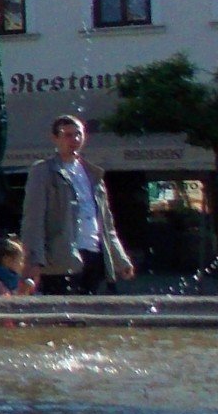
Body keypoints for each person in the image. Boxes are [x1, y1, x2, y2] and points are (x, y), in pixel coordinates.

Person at [19, 115, 134, 294]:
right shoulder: (43, 171)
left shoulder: (93, 173)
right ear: (55, 139)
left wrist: (120, 259)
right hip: (60, 256)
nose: (75, 140)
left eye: (78, 134)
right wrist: (33, 261)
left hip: (94, 253)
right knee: (61, 312)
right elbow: (33, 220)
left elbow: (106, 224)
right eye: (68, 135)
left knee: (90, 311)